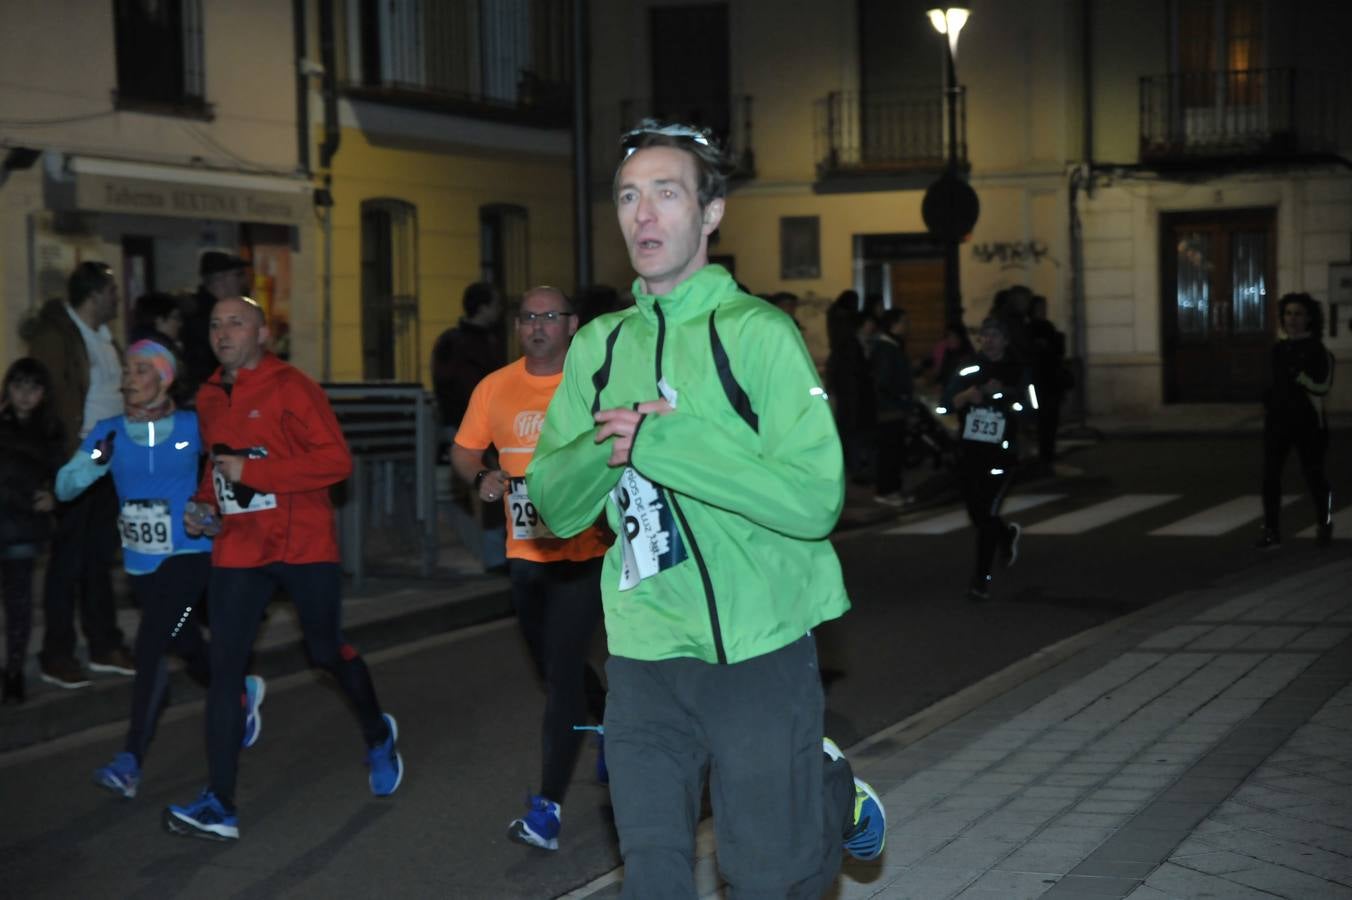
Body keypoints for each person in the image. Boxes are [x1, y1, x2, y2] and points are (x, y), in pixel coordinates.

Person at [527, 121, 886, 897]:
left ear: (711, 213)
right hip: (645, 650)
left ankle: (826, 791)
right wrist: (611, 443)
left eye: (666, 193)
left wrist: (666, 443)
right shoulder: (597, 347)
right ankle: (804, 779)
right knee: (651, 877)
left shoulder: (758, 334)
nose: (643, 215)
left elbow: (815, 497)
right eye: (628, 196)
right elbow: (552, 506)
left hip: (757, 647)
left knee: (766, 876)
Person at [163, 295, 402, 842]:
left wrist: (255, 471)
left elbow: (335, 462)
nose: (224, 333)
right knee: (225, 670)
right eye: (217, 325)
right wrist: (204, 505)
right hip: (240, 550)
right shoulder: (206, 396)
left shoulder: (292, 387)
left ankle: (377, 733)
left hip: (303, 545)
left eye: (237, 323)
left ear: (262, 334)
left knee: (324, 652)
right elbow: (216, 467)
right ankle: (219, 802)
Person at [54, 340, 266, 798]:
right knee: (182, 639)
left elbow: (238, 466)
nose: (129, 378)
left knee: (150, 645)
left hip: (190, 556)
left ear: (164, 378)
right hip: (141, 568)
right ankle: (239, 691)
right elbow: (64, 486)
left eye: (140, 370)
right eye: (127, 371)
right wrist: (96, 461)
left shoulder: (192, 426)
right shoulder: (107, 433)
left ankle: (130, 759)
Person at [451, 286, 611, 851]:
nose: (538, 326)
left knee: (561, 677)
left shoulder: (595, 383)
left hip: (585, 555)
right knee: (553, 667)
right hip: (525, 556)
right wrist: (483, 476)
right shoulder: (495, 386)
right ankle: (610, 720)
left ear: (572, 325)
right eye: (528, 318)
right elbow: (465, 449)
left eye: (550, 316)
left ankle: (547, 808)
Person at [22, 261, 135, 688]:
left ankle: (104, 643)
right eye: (112, 292)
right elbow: (46, 404)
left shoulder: (105, 338)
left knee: (98, 559)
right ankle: (57, 653)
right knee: (66, 563)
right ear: (95, 295)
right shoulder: (57, 338)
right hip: (77, 460)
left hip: (109, 461)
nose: (117, 300)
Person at [940, 317, 1036, 602]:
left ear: (1006, 340)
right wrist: (967, 396)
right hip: (970, 453)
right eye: (985, 336)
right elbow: (945, 404)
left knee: (987, 515)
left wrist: (1005, 396)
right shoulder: (969, 367)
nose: (989, 341)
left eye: (995, 335)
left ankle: (980, 582)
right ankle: (1006, 536)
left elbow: (1031, 409)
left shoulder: (1019, 370)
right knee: (978, 514)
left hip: (1002, 454)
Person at [431, 282, 508, 570]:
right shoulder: (465, 343)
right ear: (484, 307)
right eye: (496, 304)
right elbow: (460, 389)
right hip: (475, 427)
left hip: (480, 425)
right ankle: (495, 556)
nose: (499, 311)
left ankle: (496, 554)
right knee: (488, 489)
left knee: (492, 489)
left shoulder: (466, 341)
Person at [0, 359, 63, 704]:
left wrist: (53, 495)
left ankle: (13, 671)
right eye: (18, 386)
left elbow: (62, 471)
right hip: (15, 515)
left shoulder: (50, 429)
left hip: (23, 527)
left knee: (19, 603)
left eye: (33, 388)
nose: (25, 395)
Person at [1258, 293, 1335, 548]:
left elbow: (1323, 386)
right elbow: (1269, 383)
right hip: (1278, 423)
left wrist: (1301, 378)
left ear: (1309, 318)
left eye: (1298, 313)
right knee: (1270, 477)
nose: (1292, 319)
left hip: (1308, 423)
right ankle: (1271, 531)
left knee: (1315, 476)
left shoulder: (1317, 349)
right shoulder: (1278, 350)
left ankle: (1325, 521)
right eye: (1288, 313)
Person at [182, 252, 250, 396]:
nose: (243, 281)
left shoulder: (209, 310)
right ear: (220, 279)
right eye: (238, 275)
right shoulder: (204, 315)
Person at [871, 308, 916, 507]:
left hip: (892, 408)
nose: (907, 327)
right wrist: (901, 397)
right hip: (889, 410)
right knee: (890, 452)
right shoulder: (887, 349)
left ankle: (893, 489)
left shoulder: (889, 347)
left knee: (894, 451)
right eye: (904, 322)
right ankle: (886, 491)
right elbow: (883, 382)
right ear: (894, 324)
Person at [1026, 295, 1068, 467]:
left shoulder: (1046, 327)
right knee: (1044, 417)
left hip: (1050, 378)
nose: (1043, 311)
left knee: (1050, 418)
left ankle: (1047, 451)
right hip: (1040, 379)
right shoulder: (1031, 328)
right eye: (1040, 308)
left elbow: (1057, 351)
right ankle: (1045, 452)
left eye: (1044, 307)